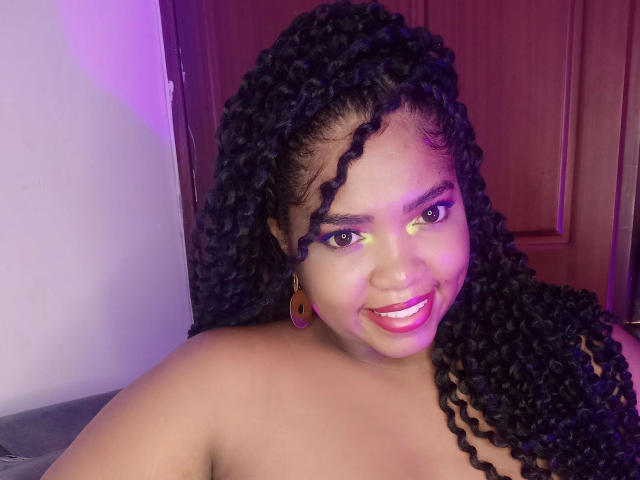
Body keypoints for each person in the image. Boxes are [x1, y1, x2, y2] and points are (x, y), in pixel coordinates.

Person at [44, 2, 640, 479]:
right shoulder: (213, 387)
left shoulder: (585, 359)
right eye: (346, 235)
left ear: (466, 200)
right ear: (285, 240)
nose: (400, 273)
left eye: (429, 214)